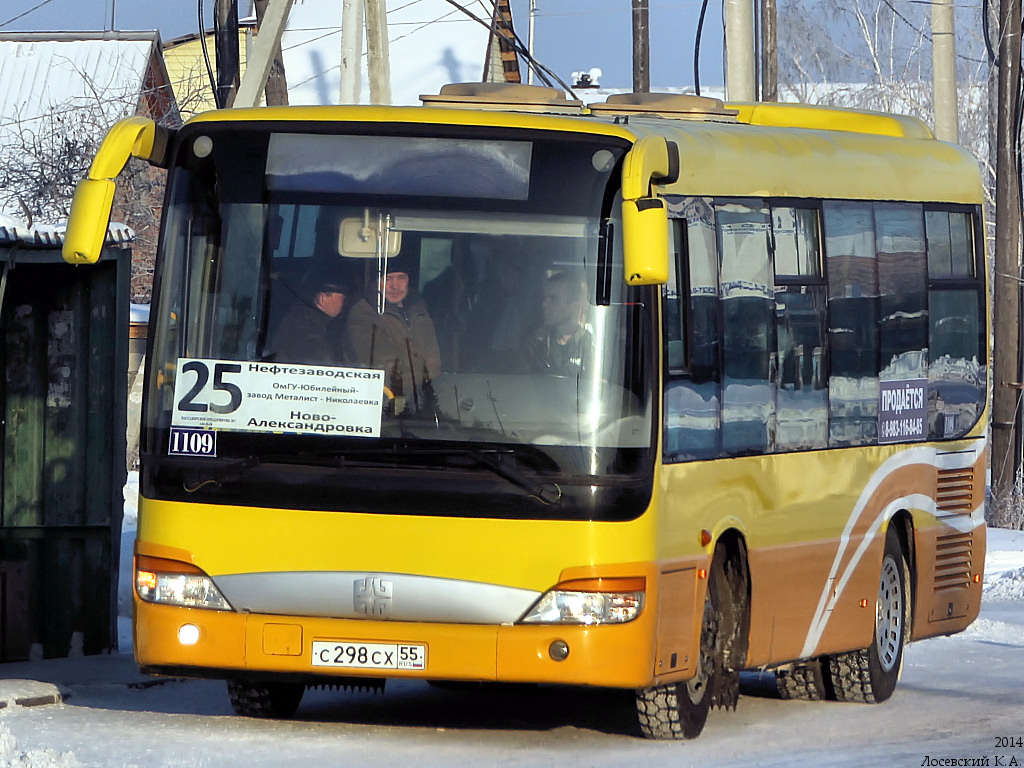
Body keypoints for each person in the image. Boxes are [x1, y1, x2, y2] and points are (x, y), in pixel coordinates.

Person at [346, 254, 441, 412]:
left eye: (401, 278)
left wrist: (432, 389)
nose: (395, 286)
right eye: (387, 278)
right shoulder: (364, 313)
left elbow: (433, 356)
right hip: (385, 403)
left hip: (425, 399)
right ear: (375, 282)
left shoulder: (418, 308)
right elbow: (384, 366)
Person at [270, 272, 352, 365]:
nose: (343, 303)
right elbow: (321, 365)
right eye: (341, 297)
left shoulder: (316, 322)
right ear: (322, 298)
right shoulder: (303, 328)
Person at [521, 271, 592, 376]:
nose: (544, 304)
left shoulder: (592, 344)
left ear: (575, 304)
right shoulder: (534, 340)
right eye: (544, 298)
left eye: (553, 299)